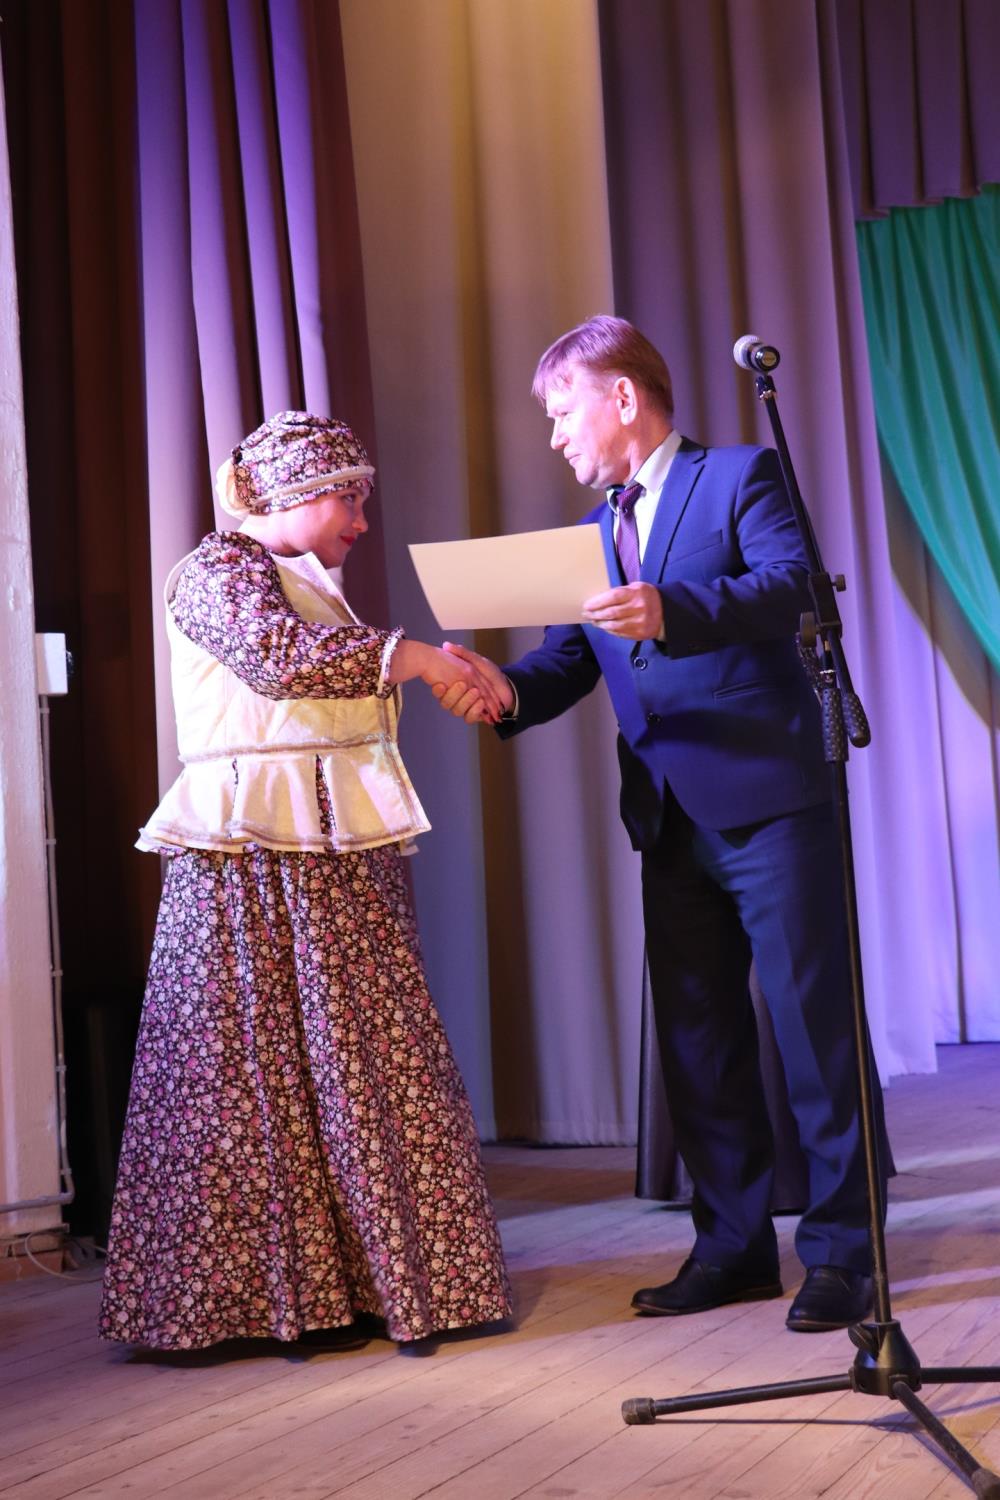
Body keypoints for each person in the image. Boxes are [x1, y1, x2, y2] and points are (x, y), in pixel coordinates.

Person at [441, 316, 889, 1333]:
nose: (555, 434)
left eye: (563, 411)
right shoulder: (591, 533)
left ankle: (844, 1257)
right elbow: (568, 659)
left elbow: (795, 588)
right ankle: (732, 1248)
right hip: (666, 814)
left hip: (772, 803)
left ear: (622, 398)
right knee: (699, 1043)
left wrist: (671, 609)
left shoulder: (738, 476)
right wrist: (500, 690)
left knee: (814, 1034)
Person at [99, 411, 512, 1351]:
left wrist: (436, 671)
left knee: (361, 1061)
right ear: (289, 492)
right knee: (254, 1071)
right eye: (346, 497)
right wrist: (418, 658)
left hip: (327, 851)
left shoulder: (305, 583)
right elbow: (281, 662)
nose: (360, 520)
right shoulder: (218, 570)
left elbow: (333, 687)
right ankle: (254, 1299)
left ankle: (371, 1283)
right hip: (251, 854)